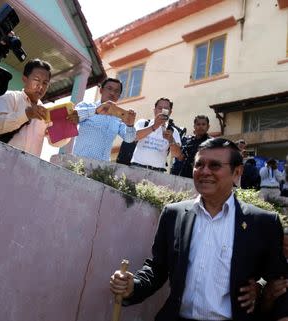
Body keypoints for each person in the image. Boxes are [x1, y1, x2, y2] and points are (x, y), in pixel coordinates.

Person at [110, 138, 288, 321]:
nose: (204, 172)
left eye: (214, 165)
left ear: (237, 173)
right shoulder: (174, 214)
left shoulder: (263, 223)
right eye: (199, 165)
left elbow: (277, 280)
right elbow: (157, 268)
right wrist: (133, 285)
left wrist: (259, 286)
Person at [0, 59, 75, 157]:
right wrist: (26, 114)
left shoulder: (45, 112)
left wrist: (69, 126)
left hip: (25, 169)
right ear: (25, 79)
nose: (40, 86)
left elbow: (55, 142)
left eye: (45, 83)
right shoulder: (8, 97)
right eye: (36, 80)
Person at [72, 78, 136, 161]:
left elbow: (129, 139)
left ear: (119, 96)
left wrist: (130, 125)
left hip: (102, 169)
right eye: (109, 88)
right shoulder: (87, 106)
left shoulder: (118, 118)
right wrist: (96, 111)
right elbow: (72, 116)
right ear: (101, 90)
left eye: (116, 91)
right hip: (79, 163)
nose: (112, 93)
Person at [129, 98, 182, 172]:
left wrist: (171, 140)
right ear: (154, 110)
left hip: (158, 172)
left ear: (170, 112)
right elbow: (132, 137)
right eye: (160, 108)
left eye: (166, 109)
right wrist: (154, 126)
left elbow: (177, 155)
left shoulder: (173, 131)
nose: (162, 111)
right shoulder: (143, 123)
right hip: (137, 168)